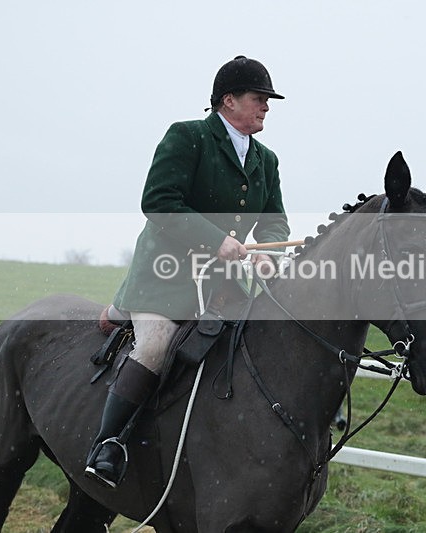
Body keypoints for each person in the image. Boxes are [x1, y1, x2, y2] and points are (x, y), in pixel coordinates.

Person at [85, 56, 290, 488]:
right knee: (157, 347)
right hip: (165, 278)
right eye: (259, 98)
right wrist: (215, 239)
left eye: (268, 100)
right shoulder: (188, 136)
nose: (266, 107)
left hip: (224, 284)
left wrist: (268, 254)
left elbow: (274, 222)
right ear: (228, 100)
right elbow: (159, 201)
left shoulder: (266, 160)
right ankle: (109, 443)